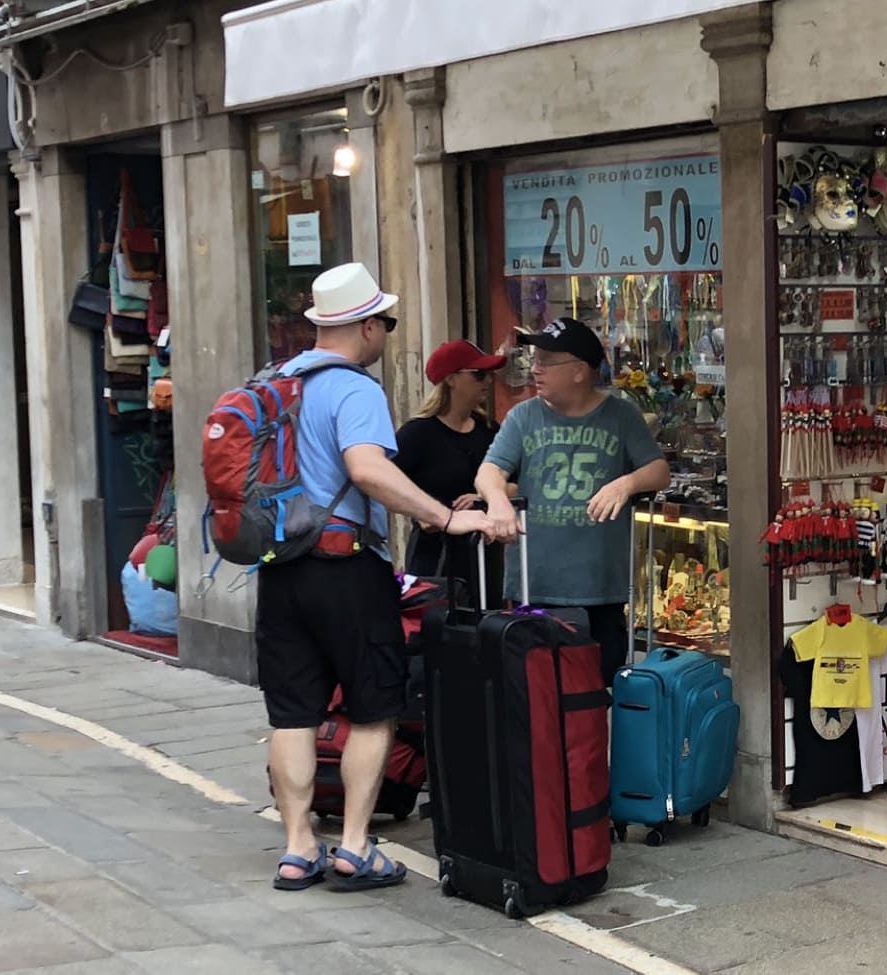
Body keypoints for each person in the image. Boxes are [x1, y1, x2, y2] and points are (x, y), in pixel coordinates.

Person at [259, 262, 497, 893]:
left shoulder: (278, 380)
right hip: (345, 566)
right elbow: (366, 470)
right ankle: (356, 847)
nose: (388, 333)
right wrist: (444, 517)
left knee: (292, 712)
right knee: (372, 708)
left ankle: (297, 846)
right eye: (386, 322)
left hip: (280, 568)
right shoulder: (354, 388)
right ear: (364, 326)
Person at [476, 318, 671, 686]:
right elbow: (489, 472)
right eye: (534, 358)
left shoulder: (621, 415)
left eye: (547, 360)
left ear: (580, 371)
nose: (535, 368)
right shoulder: (523, 416)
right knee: (535, 697)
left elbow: (659, 471)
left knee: (597, 696)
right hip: (534, 585)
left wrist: (625, 484)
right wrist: (497, 501)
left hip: (600, 589)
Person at [394, 340, 507, 603]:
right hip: (433, 554)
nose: (487, 382)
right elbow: (385, 485)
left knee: (487, 626)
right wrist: (420, 512)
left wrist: (485, 496)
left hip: (483, 554)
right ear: (452, 379)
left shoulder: (489, 429)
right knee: (435, 629)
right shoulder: (417, 433)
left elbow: (517, 482)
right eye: (479, 374)